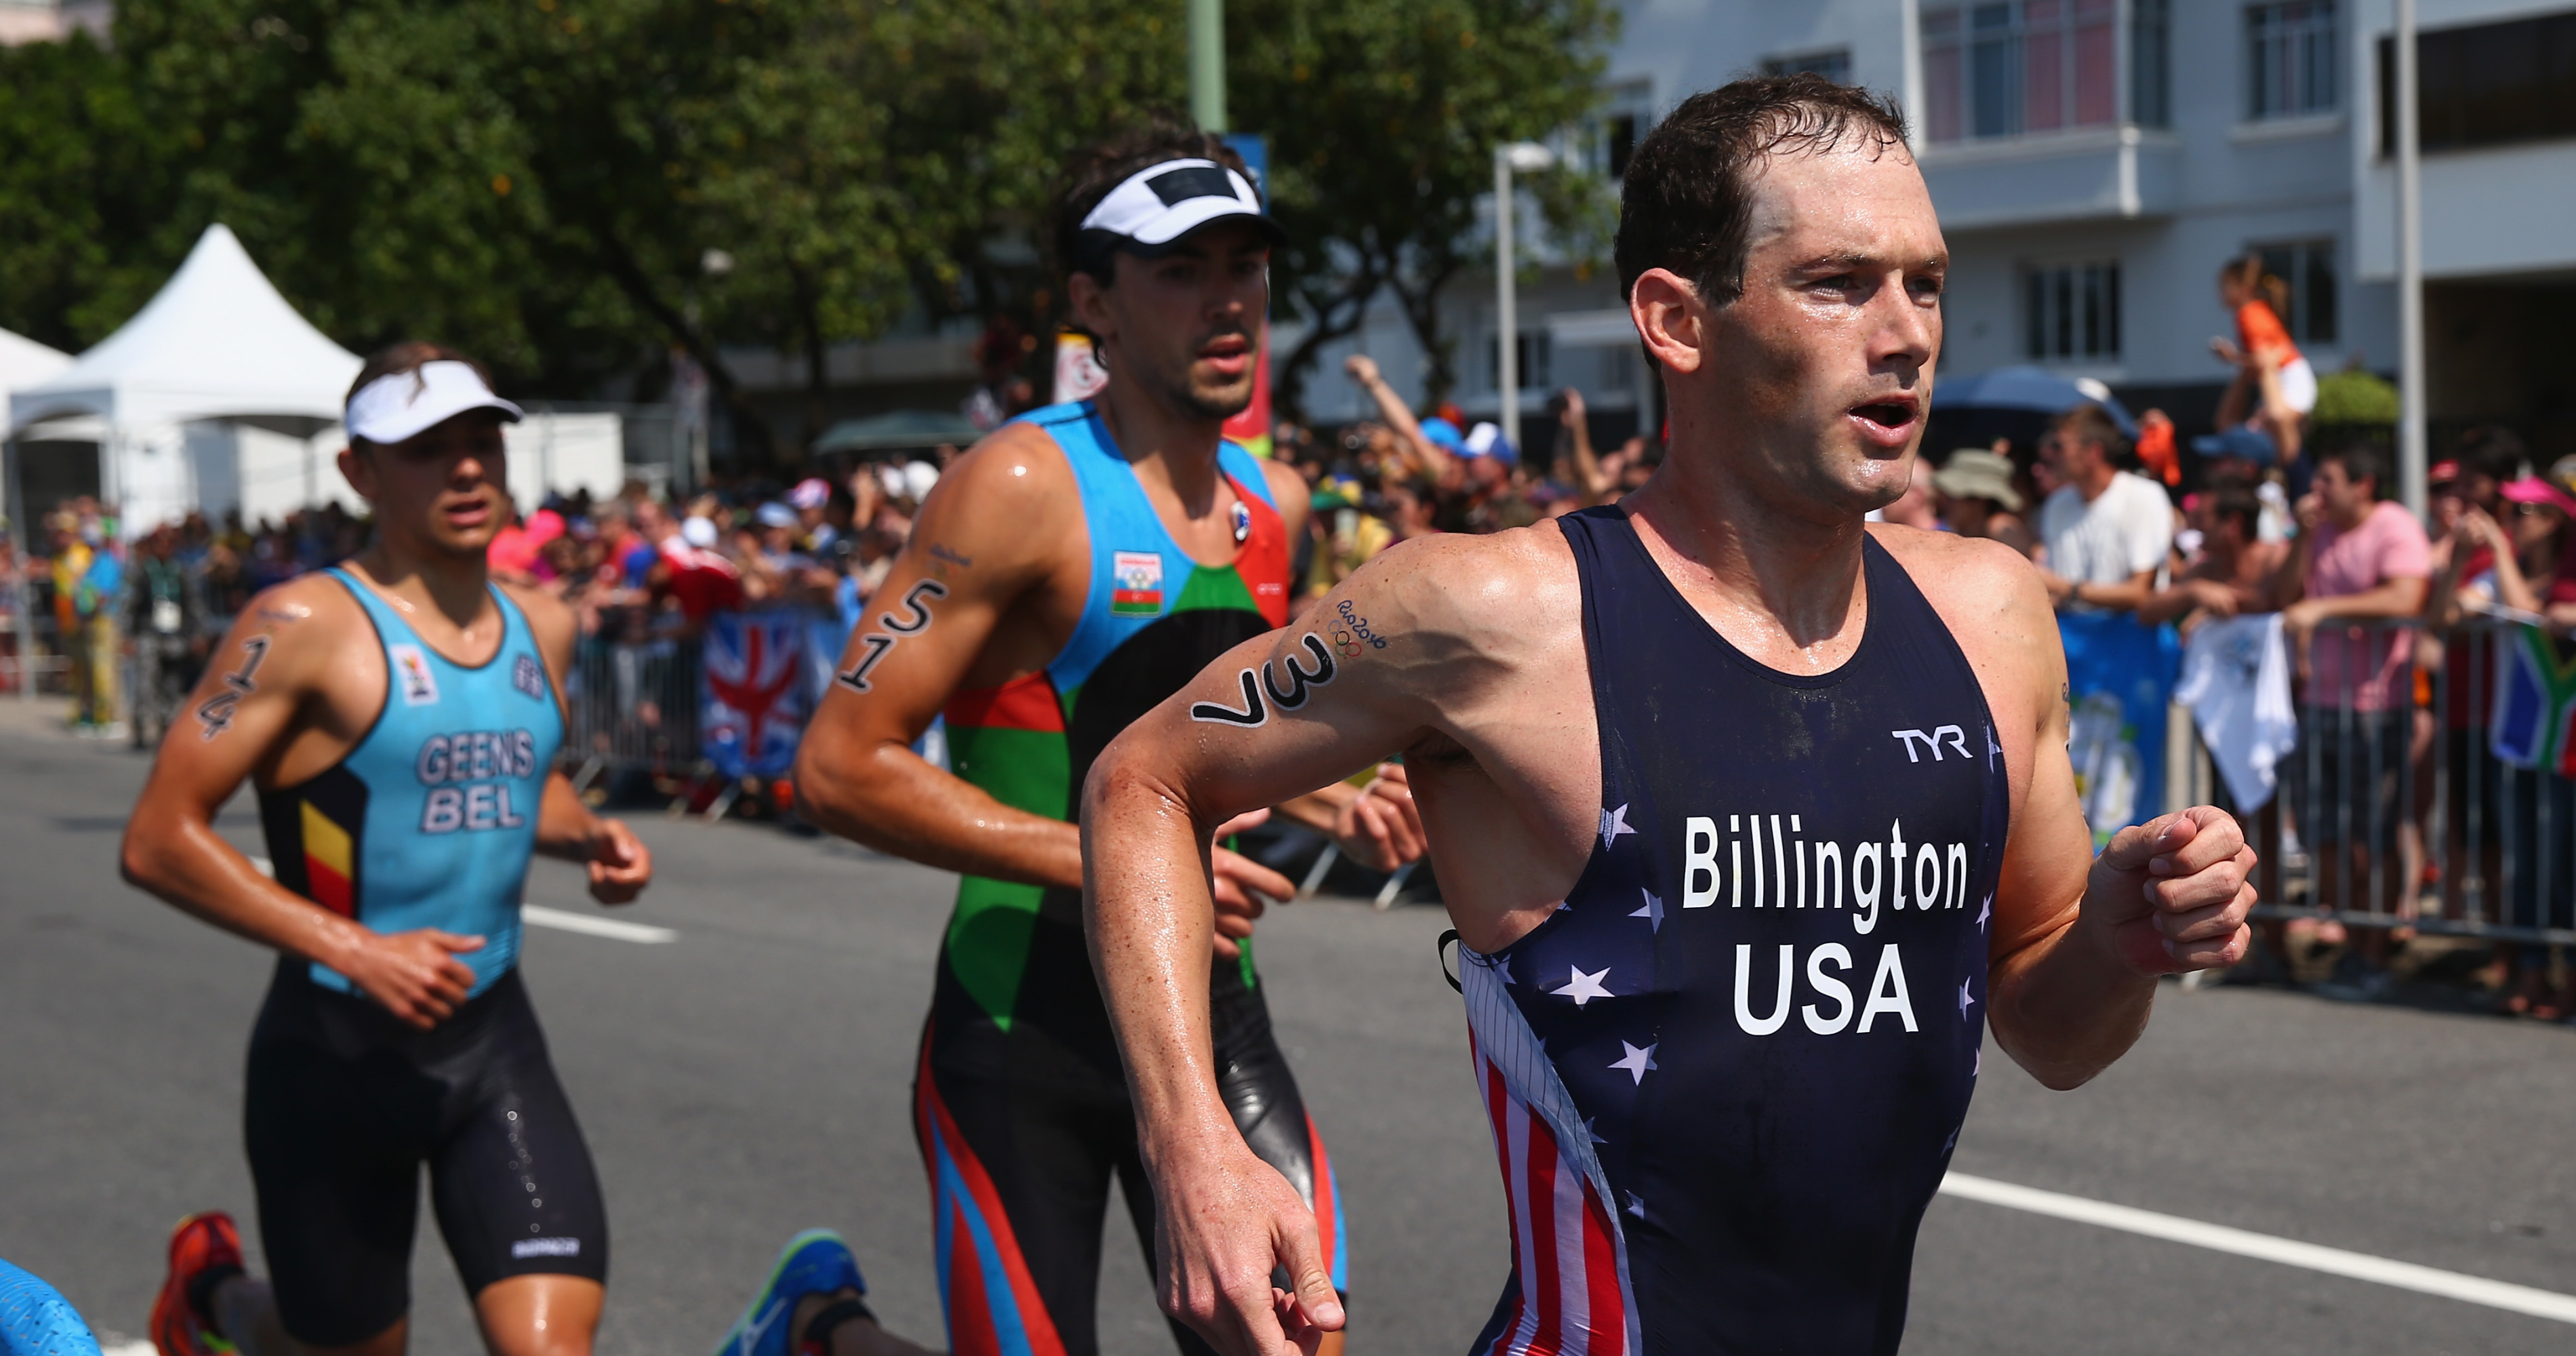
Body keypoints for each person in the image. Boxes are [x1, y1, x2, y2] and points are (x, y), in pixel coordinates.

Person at [1081, 75, 2255, 1355]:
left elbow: (2050, 1025)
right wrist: (1191, 1139)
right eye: (1839, 282)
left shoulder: (1992, 617)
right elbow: (1143, 780)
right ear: (1678, 320)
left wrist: (2126, 939)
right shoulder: (1489, 613)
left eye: (1926, 282)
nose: (1907, 331)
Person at [790, 119, 1424, 1356]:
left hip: (1214, 1018)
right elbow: (837, 765)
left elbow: (1203, 729)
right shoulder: (1018, 487)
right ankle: (821, 1335)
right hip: (1023, 1020)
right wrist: (1119, 863)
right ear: (1096, 303)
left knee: (1300, 1343)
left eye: (1244, 266)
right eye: (1180, 272)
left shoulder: (1271, 501)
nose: (1227, 302)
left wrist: (1326, 797)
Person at [119, 344, 668, 1356]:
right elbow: (159, 841)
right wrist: (354, 948)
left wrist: (589, 832)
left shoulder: (540, 623)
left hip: (492, 1045)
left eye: (480, 443)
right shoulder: (300, 624)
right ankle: (219, 1304)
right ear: (359, 473)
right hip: (335, 1057)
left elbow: (511, 779)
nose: (465, 470)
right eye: (426, 450)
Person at [2274, 435, 2432, 997]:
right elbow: (2285, 594)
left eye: (2328, 481)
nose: (2316, 491)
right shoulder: (2319, 532)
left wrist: (2326, 607)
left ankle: (2375, 951)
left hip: (2377, 709)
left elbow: (2406, 598)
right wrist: (2303, 537)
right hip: (2320, 704)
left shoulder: (2393, 524)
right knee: (2327, 837)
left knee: (2373, 836)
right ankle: (2349, 943)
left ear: (2363, 485)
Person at [2032, 403, 2174, 616]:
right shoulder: (2057, 504)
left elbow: (2140, 593)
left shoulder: (2144, 496)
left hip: (2130, 638)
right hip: (2071, 635)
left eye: (2058, 446)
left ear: (2093, 453)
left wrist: (2065, 589)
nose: (2048, 454)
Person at [1929, 446, 2035, 556]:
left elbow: (2033, 570)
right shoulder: (1962, 532)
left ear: (1978, 500)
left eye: (1951, 497)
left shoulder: (2000, 528)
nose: (1944, 503)